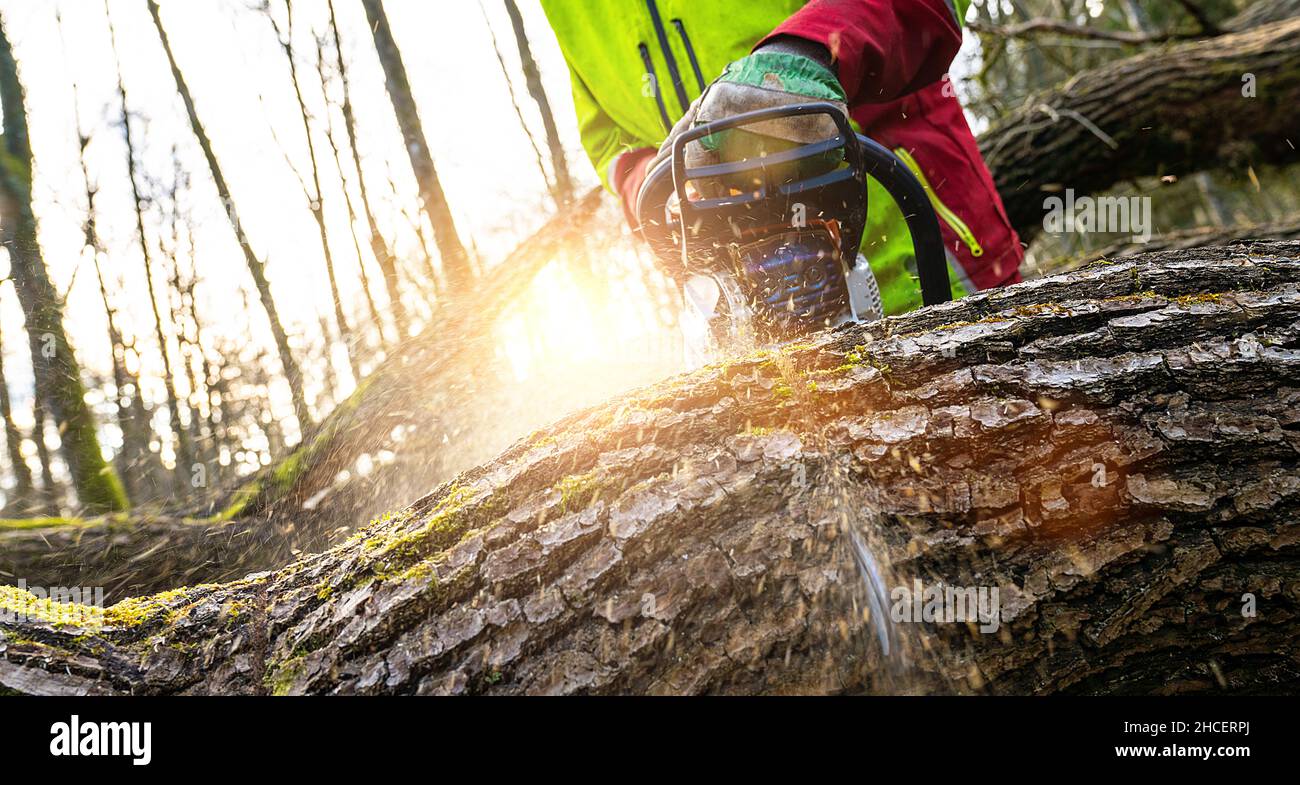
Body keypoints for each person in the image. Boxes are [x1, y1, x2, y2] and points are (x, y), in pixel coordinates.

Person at [540, 0, 1023, 315]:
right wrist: (652, 182)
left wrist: (809, 53)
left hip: (923, 256)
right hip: (746, 312)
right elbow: (606, 135)